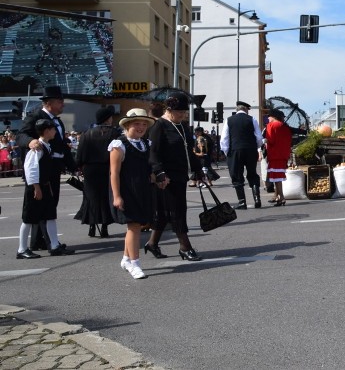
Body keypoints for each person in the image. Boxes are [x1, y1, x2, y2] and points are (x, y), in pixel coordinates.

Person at [145, 94, 206, 261]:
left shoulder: (182, 126)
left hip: (180, 175)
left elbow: (188, 150)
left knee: (165, 213)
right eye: (180, 112)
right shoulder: (159, 126)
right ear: (169, 110)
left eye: (185, 112)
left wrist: (198, 170)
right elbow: (153, 153)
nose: (183, 115)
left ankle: (152, 243)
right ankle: (185, 247)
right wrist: (159, 172)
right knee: (177, 210)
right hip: (165, 177)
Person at [17, 86, 77, 253]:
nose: (63, 105)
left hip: (54, 168)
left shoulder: (57, 121)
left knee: (50, 206)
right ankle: (39, 243)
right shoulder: (36, 116)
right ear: (48, 103)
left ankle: (41, 241)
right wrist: (30, 141)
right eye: (60, 102)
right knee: (38, 209)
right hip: (41, 169)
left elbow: (63, 147)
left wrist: (73, 167)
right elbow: (20, 135)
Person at [109, 109, 159, 279]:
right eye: (137, 123)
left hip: (143, 189)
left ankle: (125, 258)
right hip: (127, 190)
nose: (141, 127)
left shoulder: (145, 144)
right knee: (134, 226)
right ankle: (135, 263)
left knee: (136, 226)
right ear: (128, 125)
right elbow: (114, 173)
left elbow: (147, 166)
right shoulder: (119, 145)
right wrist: (117, 196)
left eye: (144, 124)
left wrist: (154, 176)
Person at [75, 106, 120, 238]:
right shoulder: (114, 133)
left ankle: (92, 226)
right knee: (106, 197)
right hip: (107, 169)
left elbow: (80, 155)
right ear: (107, 119)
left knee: (91, 198)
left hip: (91, 170)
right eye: (111, 117)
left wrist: (79, 167)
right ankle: (105, 227)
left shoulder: (87, 133)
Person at [221, 100, 263, 209]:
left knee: (236, 176)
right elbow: (259, 137)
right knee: (252, 174)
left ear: (237, 109)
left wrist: (227, 152)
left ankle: (242, 202)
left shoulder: (229, 120)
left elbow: (224, 138)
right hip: (250, 150)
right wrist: (256, 148)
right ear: (245, 109)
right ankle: (257, 199)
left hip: (235, 150)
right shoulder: (252, 119)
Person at [264, 108, 293, 206]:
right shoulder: (285, 126)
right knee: (278, 177)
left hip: (274, 155)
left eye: (268, 117)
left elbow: (271, 140)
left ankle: (282, 197)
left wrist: (264, 141)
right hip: (283, 155)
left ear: (272, 117)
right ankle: (276, 196)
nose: (268, 119)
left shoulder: (270, 125)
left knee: (276, 178)